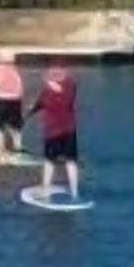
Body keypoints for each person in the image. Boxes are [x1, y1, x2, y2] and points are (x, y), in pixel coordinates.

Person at [34, 64, 82, 202]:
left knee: (49, 162)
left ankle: (45, 193)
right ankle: (75, 193)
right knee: (71, 161)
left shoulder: (46, 93)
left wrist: (26, 115)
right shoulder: (71, 88)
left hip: (52, 132)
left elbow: (38, 105)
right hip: (69, 130)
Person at [0, 50, 27, 157]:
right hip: (16, 96)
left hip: (3, 97)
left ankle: (0, 151)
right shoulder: (13, 60)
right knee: (15, 125)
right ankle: (18, 148)